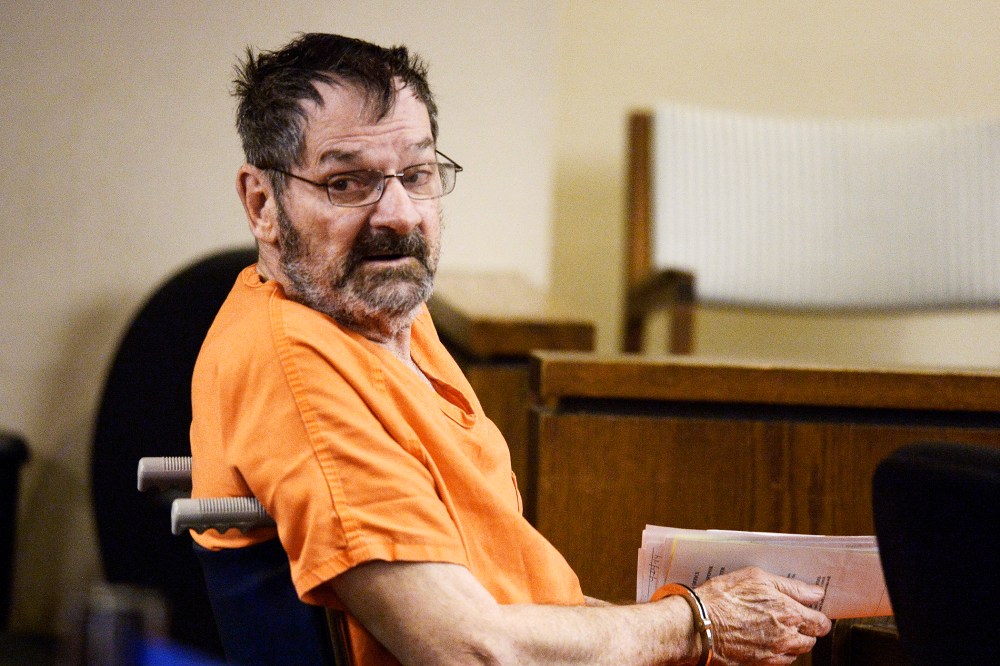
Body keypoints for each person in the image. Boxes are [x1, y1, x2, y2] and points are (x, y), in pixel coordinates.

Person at [190, 32, 831, 665]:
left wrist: (701, 624)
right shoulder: (298, 362)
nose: (400, 215)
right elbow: (471, 650)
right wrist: (697, 624)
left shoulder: (385, 320)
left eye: (416, 174)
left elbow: (507, 602)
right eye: (347, 183)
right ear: (262, 203)